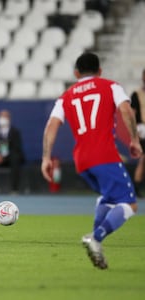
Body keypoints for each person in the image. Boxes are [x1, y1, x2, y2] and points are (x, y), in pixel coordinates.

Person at [41, 52, 142, 270]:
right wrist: (134, 140)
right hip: (104, 154)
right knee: (130, 204)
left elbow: (51, 126)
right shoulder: (110, 86)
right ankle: (96, 239)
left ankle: (96, 243)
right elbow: (126, 110)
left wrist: (46, 157)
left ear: (76, 73)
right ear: (100, 71)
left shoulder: (66, 96)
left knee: (108, 197)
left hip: (81, 160)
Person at [130, 68, 145, 196]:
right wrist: (134, 132)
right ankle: (136, 186)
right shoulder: (136, 94)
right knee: (143, 159)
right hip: (142, 129)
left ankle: (137, 185)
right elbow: (132, 114)